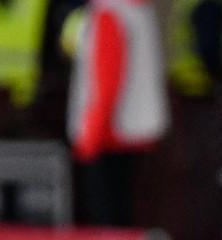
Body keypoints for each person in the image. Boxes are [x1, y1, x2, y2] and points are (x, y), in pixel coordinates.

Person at [65, 0, 170, 227]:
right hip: (135, 131)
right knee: (127, 215)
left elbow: (106, 81)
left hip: (108, 135)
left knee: (107, 220)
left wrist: (90, 136)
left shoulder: (109, 13)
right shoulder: (139, 12)